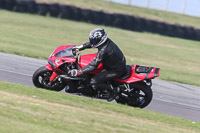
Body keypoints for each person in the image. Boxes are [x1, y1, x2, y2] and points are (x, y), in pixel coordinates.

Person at [72, 28, 126, 101]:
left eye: (94, 40)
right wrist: (81, 47)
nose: (93, 42)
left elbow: (94, 65)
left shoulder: (104, 51)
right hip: (113, 63)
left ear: (101, 40)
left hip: (116, 70)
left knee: (94, 81)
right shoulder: (105, 42)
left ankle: (113, 92)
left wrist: (80, 72)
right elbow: (92, 44)